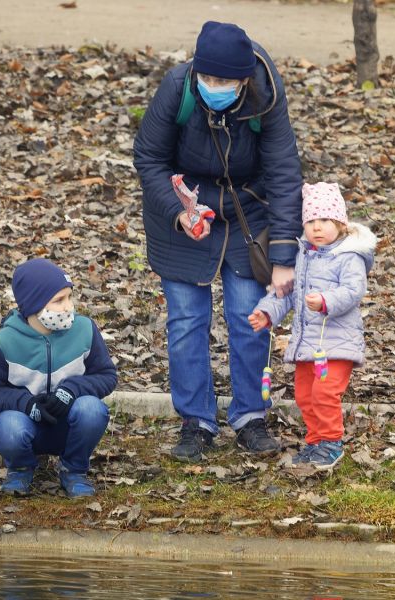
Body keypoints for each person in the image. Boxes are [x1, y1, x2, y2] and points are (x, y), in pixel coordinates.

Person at [133, 21, 304, 462]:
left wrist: (284, 256)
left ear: (244, 79)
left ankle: (251, 416)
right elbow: (149, 157)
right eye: (207, 79)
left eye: (224, 81)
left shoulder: (266, 96)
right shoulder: (178, 87)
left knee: (250, 318)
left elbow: (284, 173)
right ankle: (196, 421)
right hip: (186, 208)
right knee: (187, 322)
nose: (213, 87)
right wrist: (179, 212)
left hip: (249, 211)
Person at [247, 182, 377, 469]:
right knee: (305, 395)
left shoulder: (349, 255)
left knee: (324, 393)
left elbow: (354, 290)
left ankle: (331, 443)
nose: (317, 227)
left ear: (341, 224)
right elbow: (287, 294)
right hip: (308, 344)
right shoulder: (303, 256)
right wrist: (267, 313)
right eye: (311, 221)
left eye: (325, 220)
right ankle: (315, 441)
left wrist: (327, 300)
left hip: (337, 343)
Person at [0, 258, 117, 496]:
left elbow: (107, 375)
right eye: (58, 300)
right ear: (33, 305)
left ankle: (74, 469)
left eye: (70, 297)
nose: (68, 307)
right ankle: (21, 467)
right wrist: (26, 403)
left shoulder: (84, 330)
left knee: (92, 410)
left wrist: (72, 390)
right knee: (7, 427)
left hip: (72, 426)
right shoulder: (5, 341)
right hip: (27, 426)